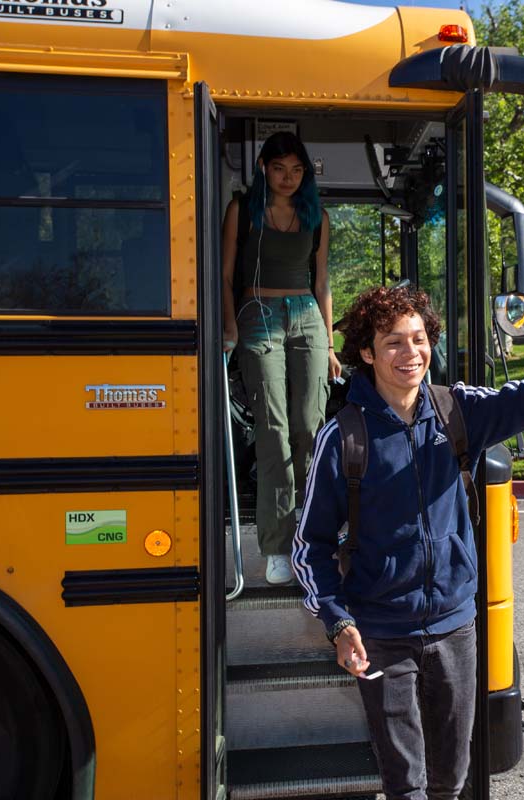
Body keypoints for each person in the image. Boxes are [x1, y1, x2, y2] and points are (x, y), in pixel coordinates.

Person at [292, 285, 524, 800]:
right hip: (381, 633)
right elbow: (309, 545)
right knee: (406, 785)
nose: (411, 354)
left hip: (455, 627)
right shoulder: (345, 437)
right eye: (394, 342)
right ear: (366, 353)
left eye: (419, 339)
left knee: (451, 779)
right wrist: (340, 622)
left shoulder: (457, 411)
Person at [222, 131, 342, 585]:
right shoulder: (244, 210)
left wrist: (329, 344)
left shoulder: (317, 216)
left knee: (310, 428)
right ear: (262, 168)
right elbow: (225, 273)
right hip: (258, 314)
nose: (287, 178)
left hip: (306, 316)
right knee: (272, 431)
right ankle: (275, 546)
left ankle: (313, 540)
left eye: (296, 170)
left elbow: (323, 281)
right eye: (278, 169)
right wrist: (230, 325)